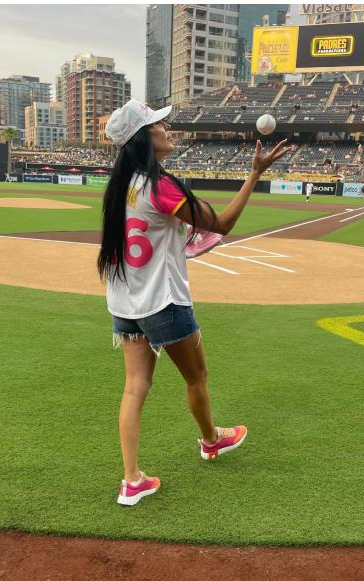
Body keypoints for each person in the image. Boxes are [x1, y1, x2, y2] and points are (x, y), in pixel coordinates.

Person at [97, 98, 290, 506]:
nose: (167, 129)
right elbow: (221, 223)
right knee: (196, 377)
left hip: (125, 305)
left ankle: (131, 480)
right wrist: (255, 174)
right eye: (158, 125)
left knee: (135, 387)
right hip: (163, 303)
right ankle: (211, 439)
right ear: (143, 138)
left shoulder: (120, 188)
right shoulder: (159, 185)